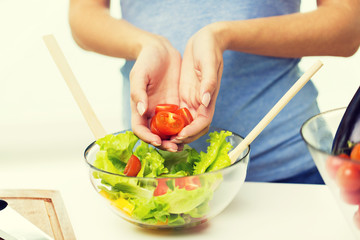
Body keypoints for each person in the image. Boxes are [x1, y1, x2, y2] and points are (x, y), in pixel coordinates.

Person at [69, 0, 360, 184]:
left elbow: (348, 26)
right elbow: (84, 13)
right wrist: (145, 44)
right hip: (156, 174)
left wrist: (225, 35)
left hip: (288, 167)